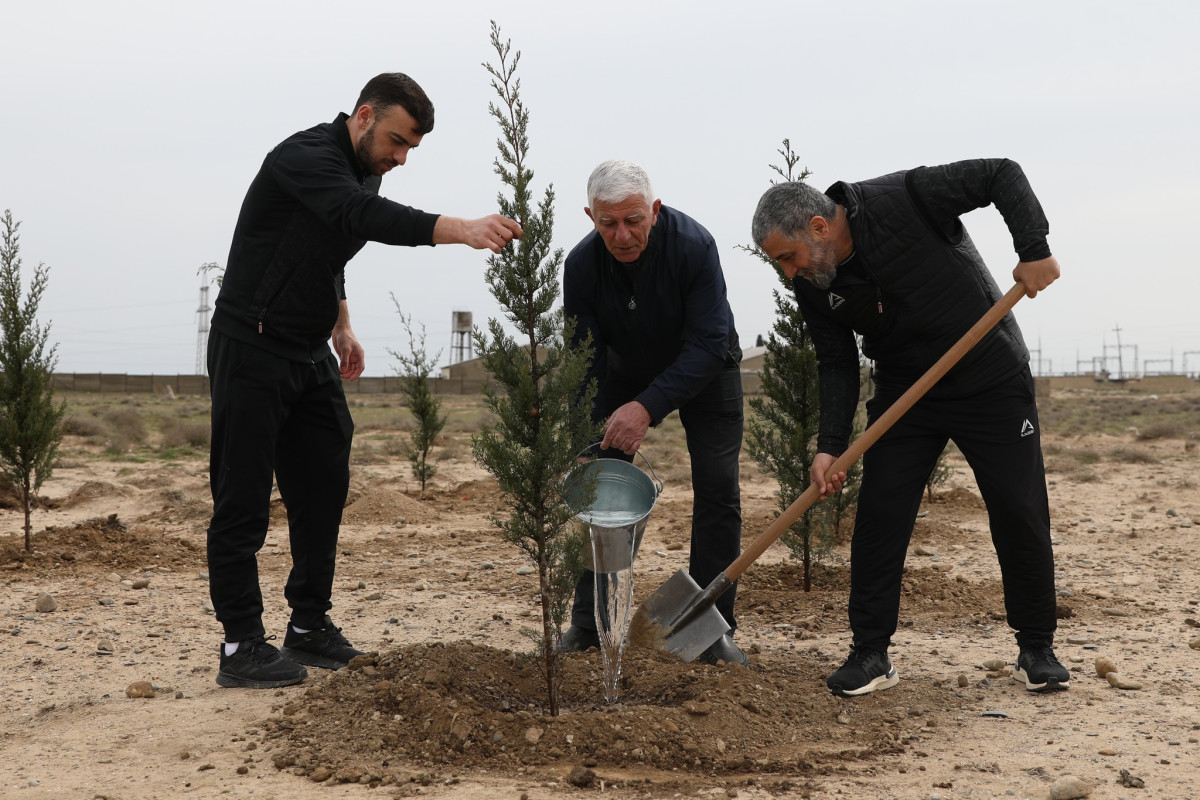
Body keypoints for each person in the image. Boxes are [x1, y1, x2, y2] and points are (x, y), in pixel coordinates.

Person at [207, 73, 522, 689]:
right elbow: (357, 215)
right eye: (397, 141)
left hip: (306, 349)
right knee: (242, 501)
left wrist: (340, 325)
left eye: (409, 150)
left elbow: (328, 252)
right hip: (252, 344)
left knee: (323, 484)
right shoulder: (305, 158)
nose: (399, 159)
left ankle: (308, 627)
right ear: (364, 114)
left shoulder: (364, 171)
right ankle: (241, 644)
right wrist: (460, 228)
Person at [751, 158, 1066, 696]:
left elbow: (1001, 175)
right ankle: (871, 653)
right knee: (881, 514)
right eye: (778, 263)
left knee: (1018, 507)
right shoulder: (813, 280)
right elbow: (836, 362)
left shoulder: (908, 197)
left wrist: (1032, 248)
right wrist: (830, 447)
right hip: (905, 393)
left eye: (788, 256)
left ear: (820, 227)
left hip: (990, 375)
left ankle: (1036, 645)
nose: (788, 271)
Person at [560, 160, 748, 667]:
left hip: (709, 369)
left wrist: (648, 407)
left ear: (655, 211)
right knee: (602, 489)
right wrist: (586, 443)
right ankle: (587, 623)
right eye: (607, 224)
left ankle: (711, 631)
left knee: (717, 488)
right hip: (624, 374)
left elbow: (709, 343)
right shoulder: (581, 266)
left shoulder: (694, 246)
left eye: (634, 220)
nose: (621, 235)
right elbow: (583, 360)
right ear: (590, 217)